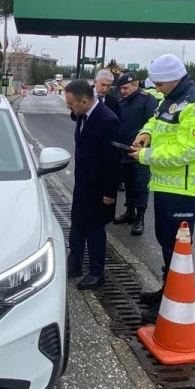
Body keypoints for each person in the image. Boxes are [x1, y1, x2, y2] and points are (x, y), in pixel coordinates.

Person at [128, 54, 195, 322]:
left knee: (177, 249)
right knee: (166, 242)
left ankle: (172, 305)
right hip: (167, 187)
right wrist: (146, 133)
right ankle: (168, 291)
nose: (156, 89)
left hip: (184, 192)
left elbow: (187, 151)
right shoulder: (173, 99)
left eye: (159, 84)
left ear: (173, 78)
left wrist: (146, 156)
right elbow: (157, 121)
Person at [63, 78, 121, 290]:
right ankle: (74, 263)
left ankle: (97, 272)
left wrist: (109, 191)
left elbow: (112, 160)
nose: (68, 107)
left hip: (99, 188)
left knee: (94, 230)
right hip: (83, 183)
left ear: (85, 101)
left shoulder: (108, 121)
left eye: (71, 103)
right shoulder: (83, 114)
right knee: (77, 224)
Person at [112, 71, 159, 236]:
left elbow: (153, 125)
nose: (122, 91)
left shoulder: (148, 100)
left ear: (135, 84)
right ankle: (129, 212)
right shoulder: (121, 103)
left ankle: (140, 218)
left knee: (140, 185)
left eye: (125, 88)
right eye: (120, 89)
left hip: (141, 153)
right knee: (128, 184)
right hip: (125, 152)